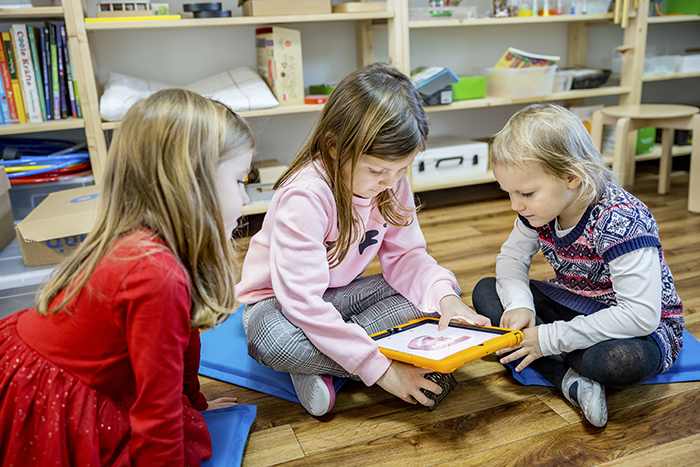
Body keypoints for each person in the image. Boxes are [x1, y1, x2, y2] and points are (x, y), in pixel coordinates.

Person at [0, 89, 254, 466]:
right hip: (45, 397)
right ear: (191, 184)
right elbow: (158, 415)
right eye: (238, 181)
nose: (247, 199)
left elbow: (183, 346)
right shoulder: (155, 273)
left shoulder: (156, 245)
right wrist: (183, 416)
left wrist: (196, 407)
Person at [235, 62, 490, 417]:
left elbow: (407, 258)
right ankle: (356, 360)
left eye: (402, 169)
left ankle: (323, 363)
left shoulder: (391, 182)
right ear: (336, 147)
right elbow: (303, 303)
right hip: (280, 304)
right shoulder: (305, 196)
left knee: (437, 295)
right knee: (272, 342)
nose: (391, 181)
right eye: (377, 170)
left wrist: (446, 299)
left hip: (337, 296)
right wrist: (385, 372)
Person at [472, 103, 684, 427]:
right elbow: (512, 259)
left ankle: (550, 359)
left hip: (641, 326)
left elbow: (640, 315)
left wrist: (548, 339)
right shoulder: (537, 211)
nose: (516, 205)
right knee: (487, 291)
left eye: (526, 192)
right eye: (509, 194)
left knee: (617, 362)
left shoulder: (621, 219)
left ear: (572, 176)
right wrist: (521, 306)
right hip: (576, 304)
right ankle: (569, 379)